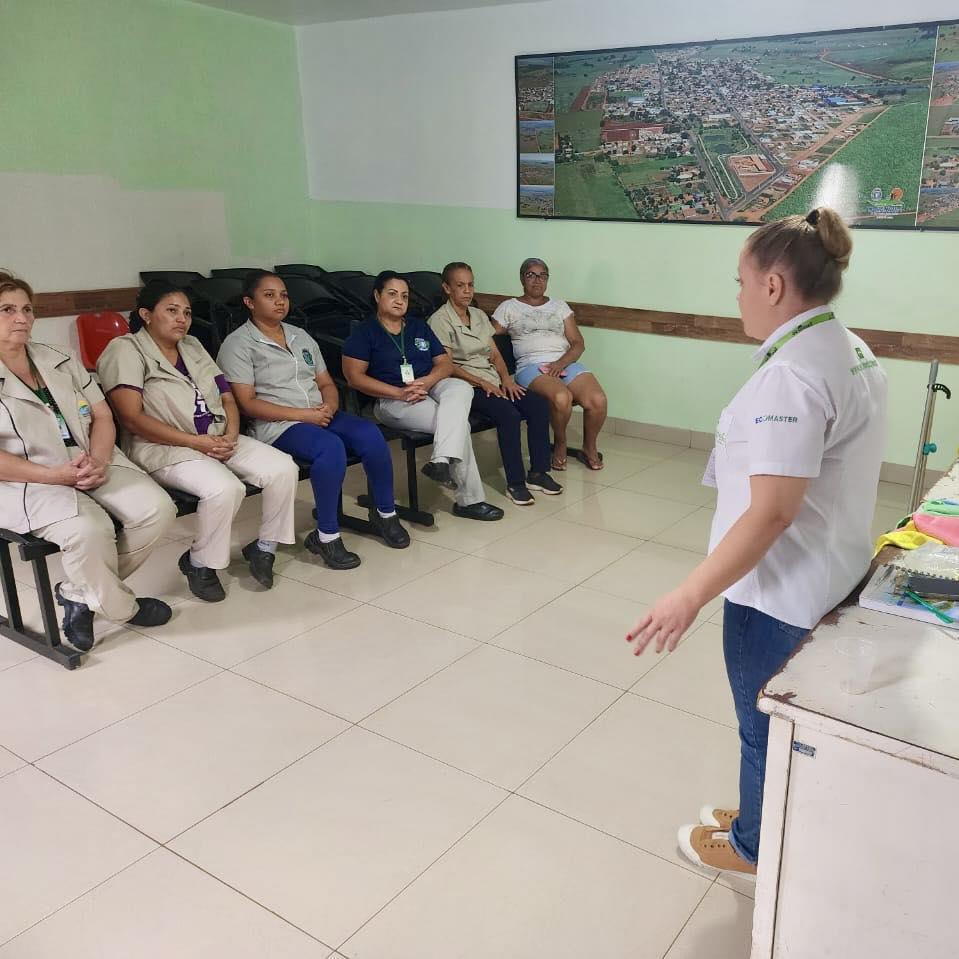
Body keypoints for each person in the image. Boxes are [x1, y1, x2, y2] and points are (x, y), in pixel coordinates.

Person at [625, 208, 887, 876]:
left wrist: (687, 595)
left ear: (773, 286)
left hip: (776, 593)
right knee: (780, 722)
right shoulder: (848, 349)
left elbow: (771, 514)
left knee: (762, 724)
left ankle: (753, 846)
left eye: (740, 281)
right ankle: (759, 815)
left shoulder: (791, 377)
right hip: (830, 573)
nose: (737, 294)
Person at [0, 272, 175, 651]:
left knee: (157, 509)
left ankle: (78, 593)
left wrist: (99, 458)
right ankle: (122, 607)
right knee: (90, 531)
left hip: (87, 458)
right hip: (25, 479)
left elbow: (102, 415)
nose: (22, 319)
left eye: (27, 309)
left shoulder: (58, 359)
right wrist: (52, 475)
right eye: (7, 310)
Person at [98, 282, 299, 601]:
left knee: (283, 468)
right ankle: (200, 563)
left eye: (187, 313)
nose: (182, 319)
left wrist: (231, 433)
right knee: (225, 488)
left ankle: (265, 547)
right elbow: (131, 418)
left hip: (217, 436)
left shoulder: (191, 345)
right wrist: (195, 443)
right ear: (146, 314)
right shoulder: (125, 349)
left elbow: (226, 396)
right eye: (172, 311)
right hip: (164, 446)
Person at [217, 270, 409, 571]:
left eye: (284, 295)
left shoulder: (300, 336)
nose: (280, 302)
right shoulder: (238, 344)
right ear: (249, 302)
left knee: (370, 435)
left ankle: (385, 514)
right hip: (279, 424)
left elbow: (326, 383)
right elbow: (247, 403)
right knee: (330, 447)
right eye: (269, 295)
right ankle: (327, 536)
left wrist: (328, 407)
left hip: (318, 414)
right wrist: (304, 415)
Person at [342, 271, 503, 522]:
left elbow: (445, 364)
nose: (399, 300)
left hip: (428, 385)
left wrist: (427, 382)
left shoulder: (418, 326)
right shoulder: (364, 333)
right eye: (392, 294)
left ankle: (441, 459)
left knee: (461, 388)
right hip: (392, 398)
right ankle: (470, 500)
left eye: (405, 296)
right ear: (377, 295)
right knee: (457, 424)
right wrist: (399, 392)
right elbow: (355, 378)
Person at [429, 262, 562, 506]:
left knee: (538, 405)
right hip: (466, 386)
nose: (467, 291)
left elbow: (495, 354)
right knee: (508, 414)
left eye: (470, 285)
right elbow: (447, 365)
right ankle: (515, 484)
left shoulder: (479, 315)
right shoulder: (439, 320)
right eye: (460, 285)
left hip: (493, 380)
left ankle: (538, 473)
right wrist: (482, 383)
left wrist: (507, 379)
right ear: (447, 288)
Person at [492, 258, 607, 471]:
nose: (537, 280)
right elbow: (487, 337)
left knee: (598, 400)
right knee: (562, 398)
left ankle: (589, 447)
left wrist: (560, 363)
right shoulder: (509, 307)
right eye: (531, 275)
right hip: (531, 367)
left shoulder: (559, 306)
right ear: (522, 279)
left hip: (564, 362)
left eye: (542, 276)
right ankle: (560, 444)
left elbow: (578, 343)